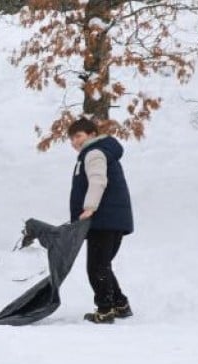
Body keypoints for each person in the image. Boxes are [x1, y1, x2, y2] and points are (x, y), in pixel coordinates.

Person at [68, 117, 134, 323]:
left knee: (96, 267)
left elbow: (98, 181)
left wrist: (89, 208)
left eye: (78, 136)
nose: (75, 142)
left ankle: (105, 310)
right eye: (71, 139)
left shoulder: (94, 152)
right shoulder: (102, 152)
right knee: (102, 265)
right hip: (112, 218)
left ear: (92, 135)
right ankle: (120, 304)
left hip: (103, 218)